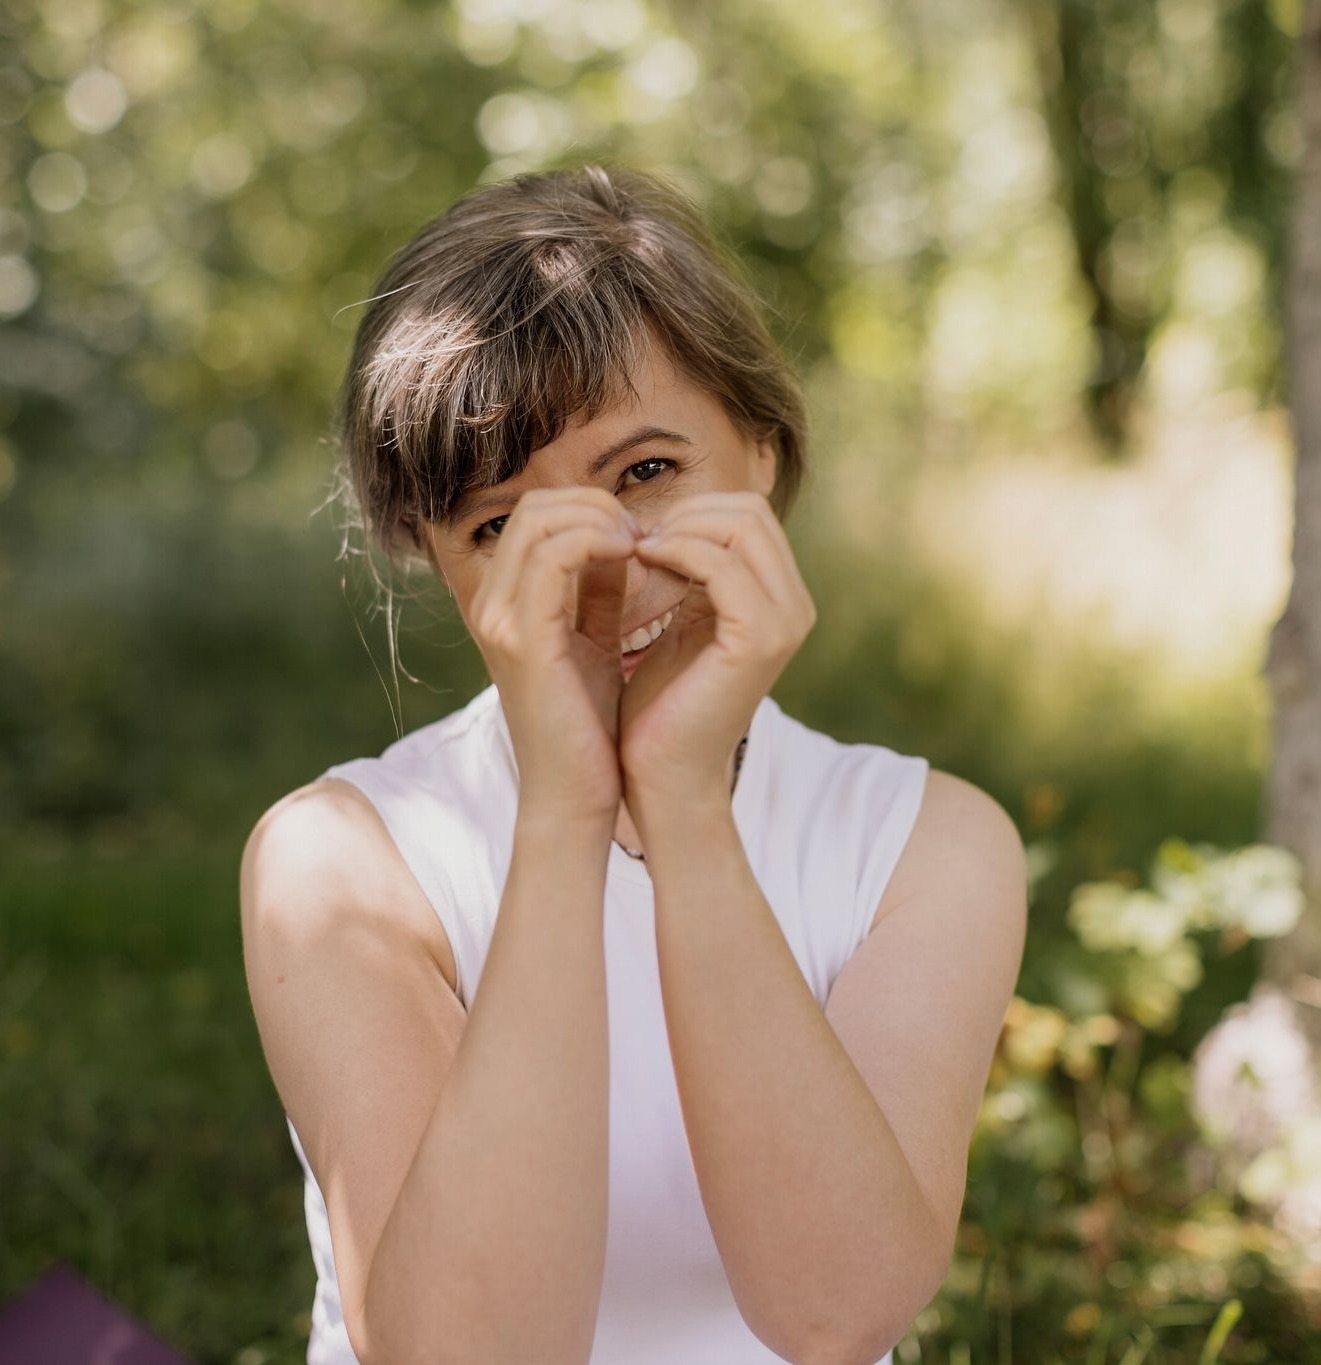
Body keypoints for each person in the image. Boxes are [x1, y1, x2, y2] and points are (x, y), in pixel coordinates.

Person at [240, 162, 1028, 1365]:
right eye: (502, 527)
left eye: (646, 473)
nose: (595, 571)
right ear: (440, 566)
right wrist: (566, 814)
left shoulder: (929, 845)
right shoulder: (339, 863)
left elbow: (834, 1313)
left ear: (761, 449)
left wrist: (683, 804)